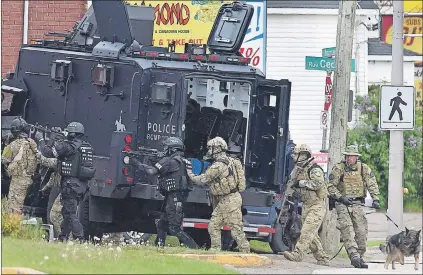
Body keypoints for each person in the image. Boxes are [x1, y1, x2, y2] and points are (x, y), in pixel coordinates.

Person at [127, 136, 199, 249]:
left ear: (172, 149)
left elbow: (151, 171)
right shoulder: (183, 161)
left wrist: (136, 162)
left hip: (174, 198)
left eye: (167, 148)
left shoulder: (169, 161)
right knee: (162, 224)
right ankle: (159, 246)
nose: (165, 150)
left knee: (175, 228)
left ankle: (195, 248)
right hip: (176, 197)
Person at [185, 136, 250, 253]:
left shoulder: (218, 165)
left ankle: (245, 252)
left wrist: (190, 173)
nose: (209, 151)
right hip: (230, 199)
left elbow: (203, 180)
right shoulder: (232, 161)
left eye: (211, 148)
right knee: (214, 226)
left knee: (236, 230)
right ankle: (215, 250)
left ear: (218, 149)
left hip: (229, 200)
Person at [35, 122, 96, 242]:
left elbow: (47, 153)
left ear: (72, 133)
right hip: (82, 186)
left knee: (71, 214)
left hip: (70, 185)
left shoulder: (68, 146)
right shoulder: (86, 146)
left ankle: (80, 239)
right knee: (66, 213)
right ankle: (63, 237)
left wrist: (45, 138)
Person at [327, 144, 380, 269]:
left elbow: (372, 183)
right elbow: (329, 186)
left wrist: (376, 198)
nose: (350, 158)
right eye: (348, 156)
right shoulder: (338, 168)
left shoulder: (363, 168)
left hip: (357, 204)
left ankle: (359, 255)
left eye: (352, 156)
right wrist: (340, 197)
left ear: (356, 157)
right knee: (347, 229)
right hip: (342, 203)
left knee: (361, 231)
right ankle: (354, 255)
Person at [282, 144, 330, 266]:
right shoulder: (298, 169)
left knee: (307, 231)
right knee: (310, 233)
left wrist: (301, 183)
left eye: (296, 154)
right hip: (306, 205)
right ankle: (322, 258)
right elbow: (292, 183)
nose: (293, 156)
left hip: (317, 205)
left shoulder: (314, 169)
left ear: (303, 155)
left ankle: (298, 254)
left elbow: (318, 184)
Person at [1, 117, 57, 214]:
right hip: (28, 180)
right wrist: (57, 162)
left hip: (17, 181)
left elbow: (3, 160)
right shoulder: (32, 144)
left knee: (13, 208)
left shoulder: (13, 145)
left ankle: (14, 226)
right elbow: (42, 159)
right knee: (18, 205)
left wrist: (6, 143)